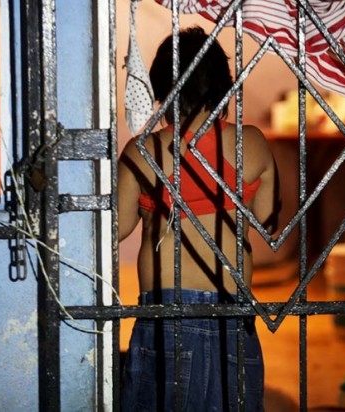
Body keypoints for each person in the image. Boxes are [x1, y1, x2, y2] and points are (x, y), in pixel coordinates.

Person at [118, 26, 281, 411]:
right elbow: (269, 221)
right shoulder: (250, 143)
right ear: (223, 86)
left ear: (160, 88)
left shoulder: (143, 152)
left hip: (165, 314)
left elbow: (115, 229)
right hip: (233, 313)